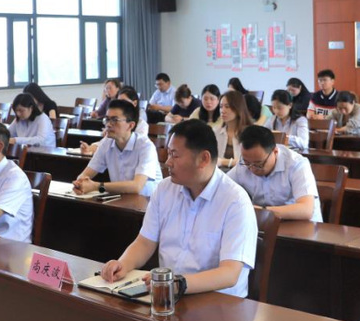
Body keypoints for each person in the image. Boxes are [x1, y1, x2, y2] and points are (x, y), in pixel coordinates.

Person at [99, 119, 258, 298]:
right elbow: (145, 242)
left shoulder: (235, 202)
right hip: (169, 293)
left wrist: (179, 284)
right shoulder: (164, 189)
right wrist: (123, 264)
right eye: (168, 154)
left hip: (219, 301)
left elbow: (230, 273)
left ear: (203, 159)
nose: (168, 162)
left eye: (175, 155)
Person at [227, 125, 322, 222]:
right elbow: (222, 186)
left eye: (259, 164)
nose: (252, 168)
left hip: (301, 224)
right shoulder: (244, 164)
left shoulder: (296, 164)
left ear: (275, 152)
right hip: (267, 223)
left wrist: (261, 211)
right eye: (247, 162)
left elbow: (306, 210)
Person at [73, 100, 161, 197]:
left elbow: (137, 186)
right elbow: (85, 174)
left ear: (131, 125)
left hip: (148, 202)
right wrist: (79, 183)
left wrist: (96, 186)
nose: (108, 124)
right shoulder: (107, 143)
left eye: (114, 120)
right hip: (122, 199)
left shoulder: (146, 147)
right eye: (107, 119)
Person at [216, 90, 253, 167]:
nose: (222, 111)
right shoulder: (216, 131)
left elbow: (251, 162)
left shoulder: (250, 133)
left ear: (238, 108)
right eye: (221, 107)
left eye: (227, 107)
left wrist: (223, 162)